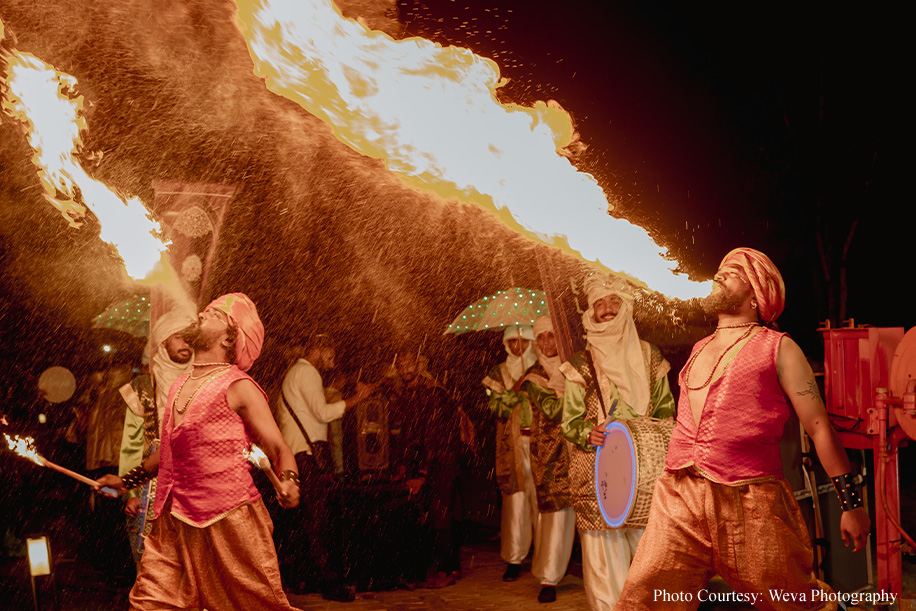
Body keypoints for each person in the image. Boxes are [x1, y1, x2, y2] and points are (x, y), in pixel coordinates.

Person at [616, 248, 871, 610]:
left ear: (756, 295)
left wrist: (851, 504)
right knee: (644, 599)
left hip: (751, 500)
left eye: (732, 272)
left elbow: (818, 427)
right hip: (679, 497)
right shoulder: (699, 347)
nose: (719, 275)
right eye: (720, 269)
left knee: (795, 603)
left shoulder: (779, 348)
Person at [96, 292, 301, 611]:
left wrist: (290, 480)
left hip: (229, 518)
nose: (202, 315)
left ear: (230, 338)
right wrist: (125, 482)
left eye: (214, 315)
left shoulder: (239, 385)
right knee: (149, 604)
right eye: (205, 311)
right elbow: (167, 455)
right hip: (173, 521)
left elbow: (278, 447)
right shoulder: (179, 385)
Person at [559, 272, 675, 611]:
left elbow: (665, 404)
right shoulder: (580, 364)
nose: (607, 309)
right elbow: (569, 421)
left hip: (647, 469)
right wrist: (586, 432)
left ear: (626, 307)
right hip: (597, 469)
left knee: (648, 551)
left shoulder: (649, 355)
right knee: (602, 553)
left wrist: (660, 428)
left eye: (614, 302)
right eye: (600, 304)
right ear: (590, 312)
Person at [274, 333, 372, 602]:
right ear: (318, 348)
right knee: (318, 521)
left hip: (297, 454)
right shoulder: (307, 373)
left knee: (304, 520)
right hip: (305, 455)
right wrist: (357, 399)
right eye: (331, 351)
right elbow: (323, 413)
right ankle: (330, 584)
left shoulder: (296, 373)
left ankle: (301, 579)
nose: (334, 358)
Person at [117, 309, 194, 566]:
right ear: (163, 341)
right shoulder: (143, 387)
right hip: (151, 488)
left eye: (190, 337)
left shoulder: (202, 381)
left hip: (193, 488)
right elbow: (131, 445)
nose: (186, 344)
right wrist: (131, 492)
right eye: (178, 337)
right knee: (152, 567)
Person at [387, 349, 468, 588]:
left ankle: (449, 569)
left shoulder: (433, 392)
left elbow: (435, 435)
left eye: (408, 363)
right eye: (400, 365)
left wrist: (423, 472)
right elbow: (412, 435)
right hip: (431, 462)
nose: (404, 369)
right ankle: (439, 565)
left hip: (443, 460)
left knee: (442, 515)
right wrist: (404, 464)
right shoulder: (409, 393)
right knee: (435, 515)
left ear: (419, 364)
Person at [519, 316, 576, 604]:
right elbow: (552, 410)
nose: (546, 343)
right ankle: (549, 578)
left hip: (583, 446)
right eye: (540, 337)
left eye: (551, 335)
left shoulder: (576, 365)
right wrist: (574, 391)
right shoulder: (533, 376)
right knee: (556, 515)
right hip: (551, 454)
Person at [483, 324, 541, 582]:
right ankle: (515, 559)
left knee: (543, 502)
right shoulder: (499, 372)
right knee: (515, 503)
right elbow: (496, 409)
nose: (518, 346)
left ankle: (544, 557)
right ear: (506, 344)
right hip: (512, 445)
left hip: (542, 444)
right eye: (513, 342)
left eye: (523, 341)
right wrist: (515, 392)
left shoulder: (544, 366)